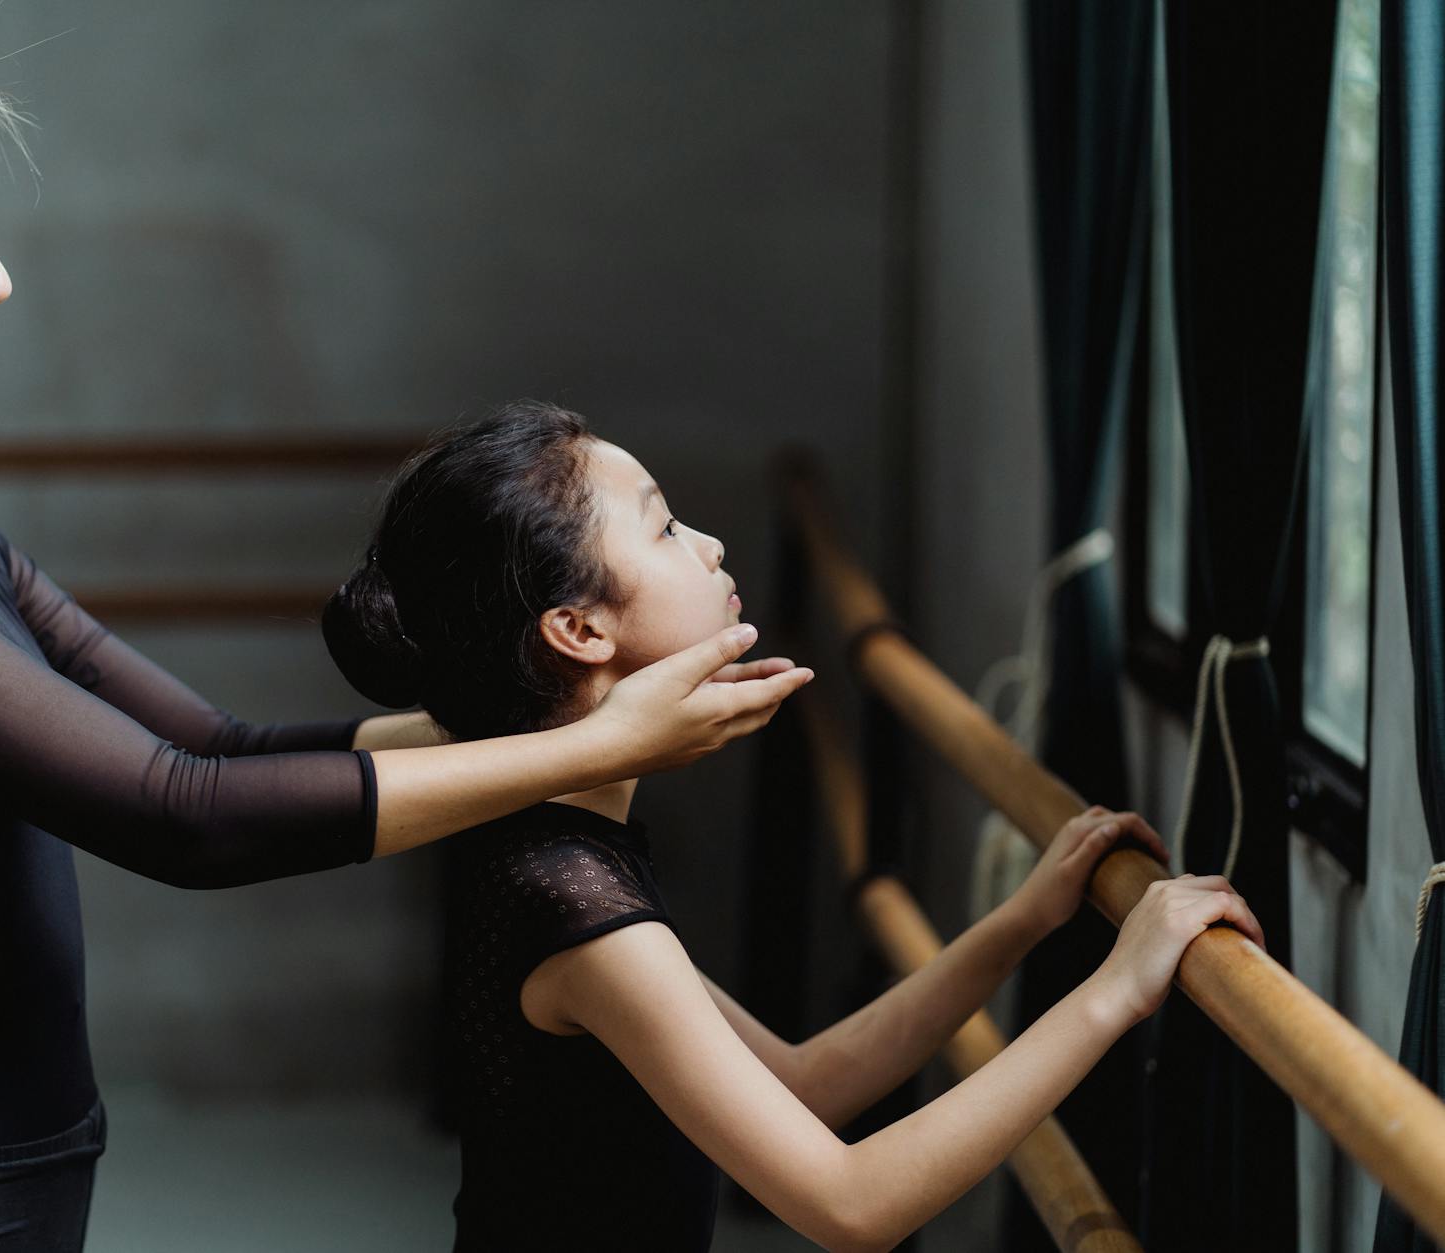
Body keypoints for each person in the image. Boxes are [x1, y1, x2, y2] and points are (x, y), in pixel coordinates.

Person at [0, 17, 813, 1251]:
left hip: (3, 1189)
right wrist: (589, 746)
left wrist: (570, 704)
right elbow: (178, 814)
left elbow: (221, 740)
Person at [321, 402, 1268, 1253]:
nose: (713, 544)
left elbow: (803, 1081)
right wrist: (1120, 987)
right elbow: (852, 1206)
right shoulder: (573, 900)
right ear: (580, 631)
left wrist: (1026, 919)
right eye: (664, 526)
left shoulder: (546, 845)